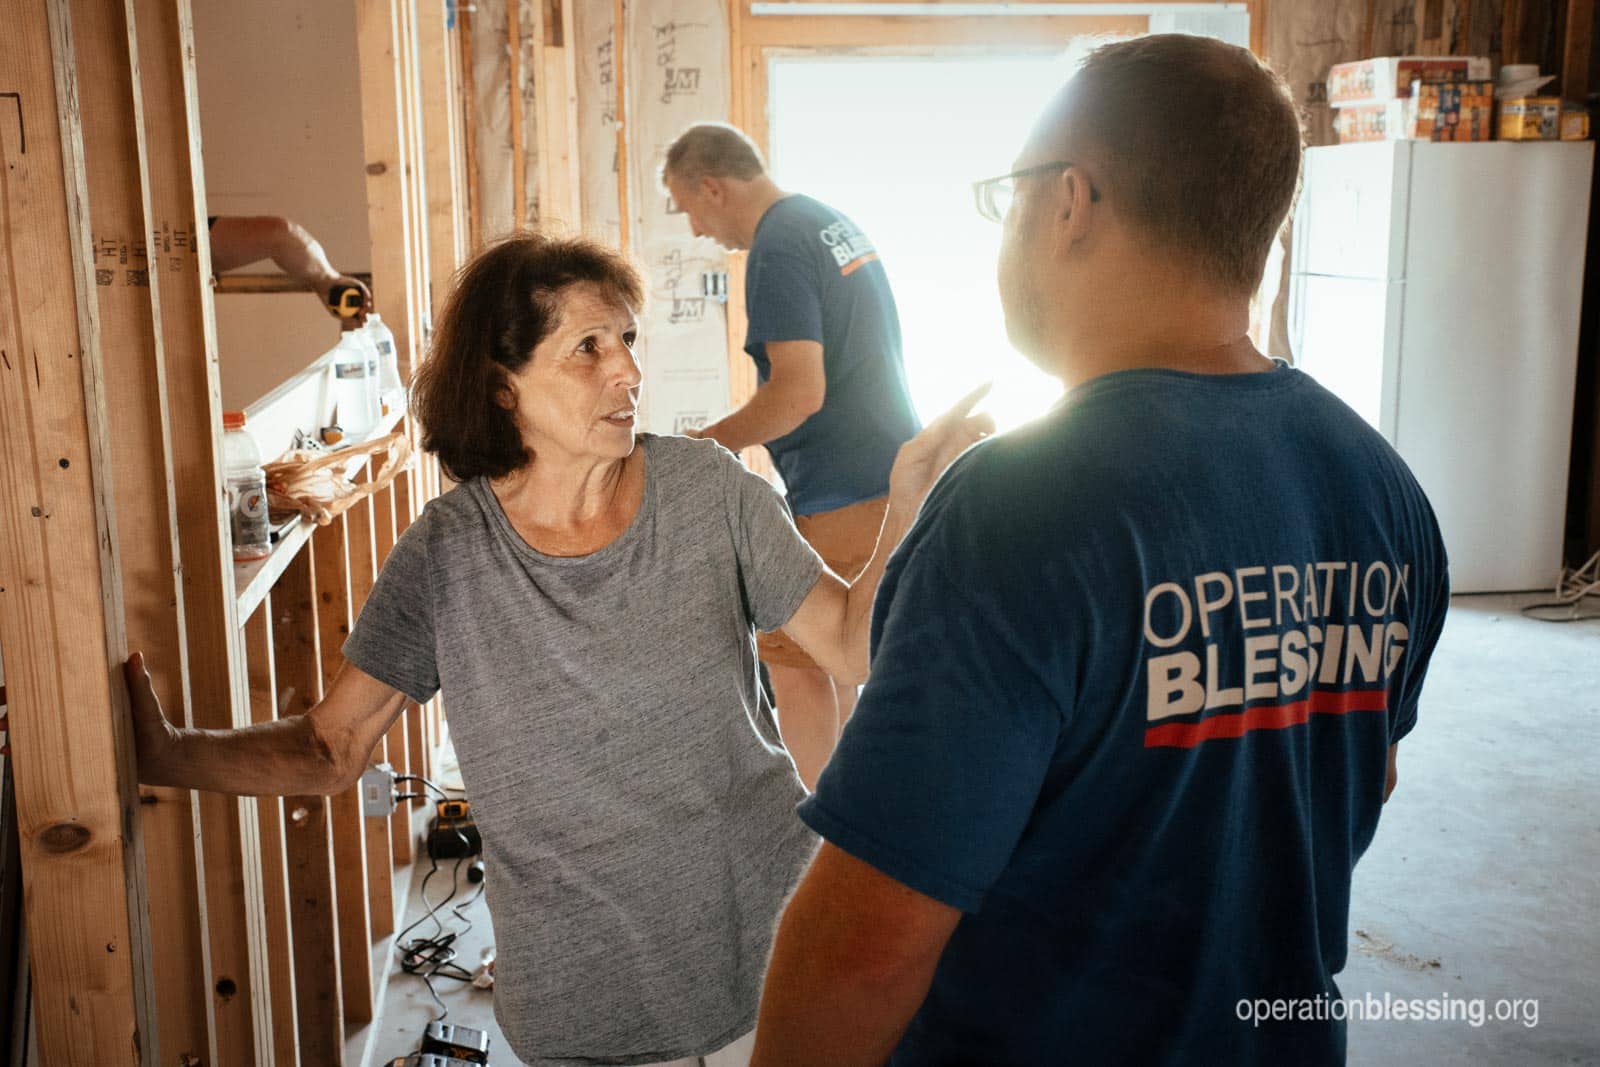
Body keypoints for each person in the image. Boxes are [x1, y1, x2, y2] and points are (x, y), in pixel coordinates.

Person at [750, 34, 1449, 1067]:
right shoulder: (1381, 485)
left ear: (1069, 201)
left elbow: (864, 949)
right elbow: (1353, 771)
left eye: (1009, 195)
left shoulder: (1019, 506)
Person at [125, 233, 990, 1067]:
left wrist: (911, 497)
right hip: (584, 1002)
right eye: (587, 347)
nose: (628, 368)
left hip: (767, 952)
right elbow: (329, 747)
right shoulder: (449, 554)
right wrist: (168, 752)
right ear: (505, 386)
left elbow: (849, 646)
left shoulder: (708, 488)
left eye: (628, 338)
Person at [660, 123, 922, 789]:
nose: (695, 229)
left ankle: (819, 850)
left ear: (712, 186)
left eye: (688, 207)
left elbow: (800, 391)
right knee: (848, 665)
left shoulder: (776, 246)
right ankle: (853, 822)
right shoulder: (827, 222)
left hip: (846, 493)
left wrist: (699, 449)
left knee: (796, 664)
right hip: (891, 479)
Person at [208, 214, 373, 320]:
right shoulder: (188, 238)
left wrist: (326, 281)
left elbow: (280, 236)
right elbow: (280, 234)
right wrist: (325, 277)